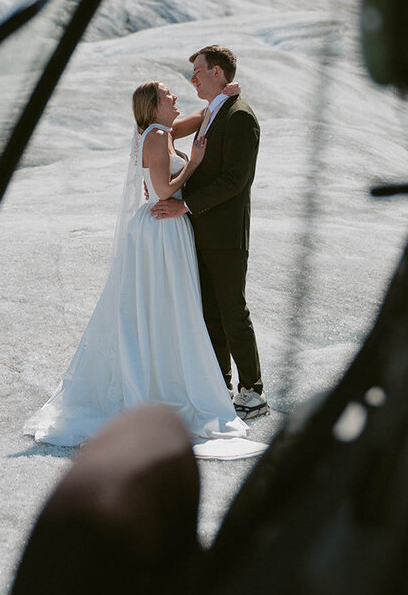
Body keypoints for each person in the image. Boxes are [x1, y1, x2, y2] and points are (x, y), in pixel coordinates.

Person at [24, 80, 255, 452]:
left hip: (165, 229)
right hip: (163, 228)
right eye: (168, 95)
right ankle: (161, 384)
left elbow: (196, 120)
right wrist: (193, 164)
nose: (175, 96)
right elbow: (164, 191)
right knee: (165, 306)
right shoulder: (155, 137)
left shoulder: (158, 131)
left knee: (164, 307)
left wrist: (221, 99)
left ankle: (165, 373)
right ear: (154, 104)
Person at [151, 45, 267, 420]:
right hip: (200, 232)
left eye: (199, 71)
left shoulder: (239, 118)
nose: (193, 78)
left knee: (232, 310)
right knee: (210, 313)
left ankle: (253, 393)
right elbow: (171, 129)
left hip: (226, 234)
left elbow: (236, 180)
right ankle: (220, 385)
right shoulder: (215, 111)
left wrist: (185, 205)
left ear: (217, 72)